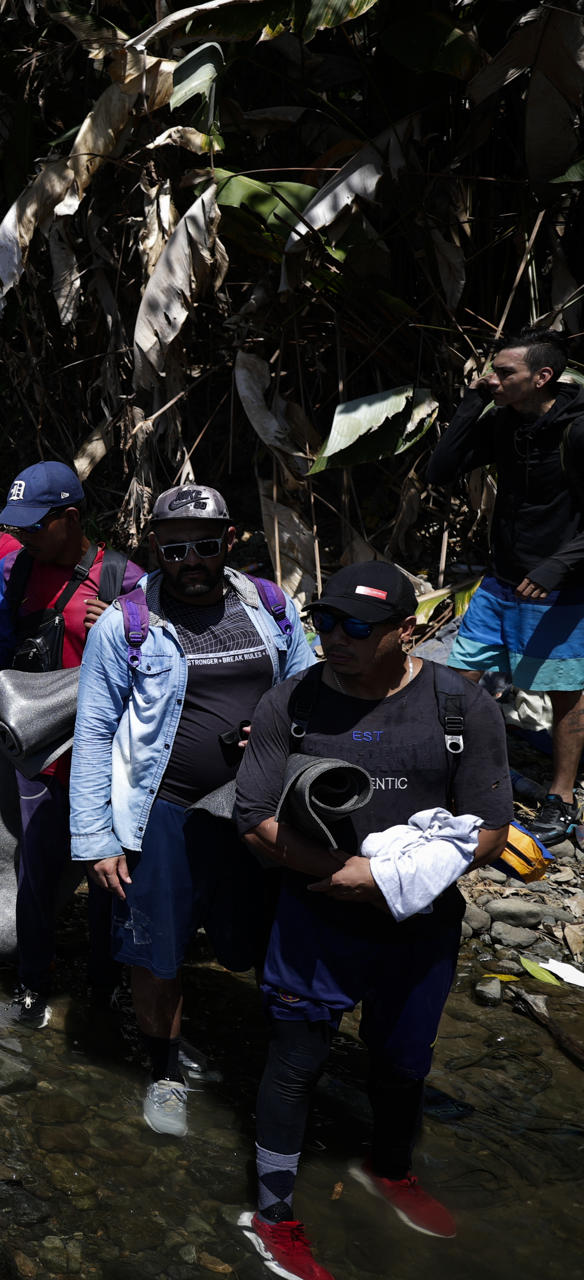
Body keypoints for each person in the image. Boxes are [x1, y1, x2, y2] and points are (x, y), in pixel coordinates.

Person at [231, 562, 509, 1278]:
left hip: (417, 923)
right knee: (295, 1063)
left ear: (406, 631)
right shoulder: (292, 701)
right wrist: (334, 874)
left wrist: (388, 879)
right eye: (324, 621)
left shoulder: (460, 707)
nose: (335, 638)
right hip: (315, 913)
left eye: (357, 626)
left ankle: (389, 1170)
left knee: (404, 1060)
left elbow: (490, 829)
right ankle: (271, 1213)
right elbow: (252, 815)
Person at [70, 484, 316, 1134]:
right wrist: (96, 838)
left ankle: (280, 1071)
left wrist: (276, 730)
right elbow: (95, 730)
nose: (190, 560)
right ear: (155, 547)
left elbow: (311, 691)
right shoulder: (125, 623)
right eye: (174, 548)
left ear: (229, 541)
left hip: (260, 809)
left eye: (205, 546)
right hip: (164, 814)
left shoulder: (271, 606)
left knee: (271, 943)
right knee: (157, 954)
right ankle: (165, 1073)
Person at [0, 461, 137, 1028]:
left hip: (106, 761)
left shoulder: (125, 580)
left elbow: (161, 674)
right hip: (42, 758)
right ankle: (32, 987)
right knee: (35, 875)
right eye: (19, 526)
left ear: (71, 518)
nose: (22, 536)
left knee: (112, 881)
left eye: (34, 526)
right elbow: (2, 642)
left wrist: (126, 632)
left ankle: (105, 989)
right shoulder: (13, 570)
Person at [424, 328, 584, 845]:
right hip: (500, 581)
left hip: (559, 588)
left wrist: (558, 565)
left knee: (565, 693)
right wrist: (472, 404)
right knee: (458, 679)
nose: (491, 378)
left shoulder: (577, 431)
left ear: (542, 377)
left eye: (504, 373)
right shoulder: (505, 423)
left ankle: (561, 798)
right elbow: (440, 470)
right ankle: (438, 773)